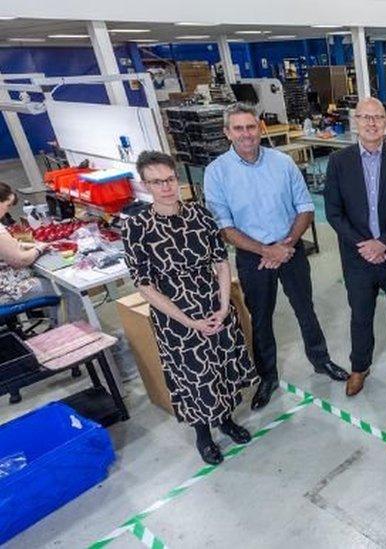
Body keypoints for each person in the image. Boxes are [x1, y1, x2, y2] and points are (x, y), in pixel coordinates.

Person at [205, 102, 348, 412]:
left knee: (305, 309)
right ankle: (267, 377)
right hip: (252, 257)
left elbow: (305, 207)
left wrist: (286, 246)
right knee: (262, 319)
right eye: (238, 128)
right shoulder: (216, 173)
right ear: (227, 132)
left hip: (290, 250)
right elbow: (225, 227)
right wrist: (265, 250)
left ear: (260, 127)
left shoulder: (283, 163)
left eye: (251, 126)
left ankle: (321, 360)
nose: (246, 134)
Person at [122, 151, 257, 465]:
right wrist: (188, 321)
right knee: (194, 377)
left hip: (213, 303)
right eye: (157, 182)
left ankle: (225, 419)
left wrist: (224, 306)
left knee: (223, 366)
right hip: (176, 318)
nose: (166, 187)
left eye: (169, 179)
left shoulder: (200, 215)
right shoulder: (137, 228)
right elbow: (144, 285)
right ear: (145, 186)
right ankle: (203, 434)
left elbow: (221, 262)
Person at [324, 97, 386, 397]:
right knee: (360, 314)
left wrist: (384, 243)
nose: (371, 123)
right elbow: (333, 212)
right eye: (365, 117)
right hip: (358, 258)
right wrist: (364, 245)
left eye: (377, 117)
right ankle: (359, 367)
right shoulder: (339, 162)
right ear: (356, 121)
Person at [0, 182, 50, 308]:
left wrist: (25, 244)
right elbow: (20, 260)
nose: (8, 210)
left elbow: (8, 246)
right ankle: (69, 327)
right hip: (7, 291)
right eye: (8, 205)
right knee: (62, 287)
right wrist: (40, 248)